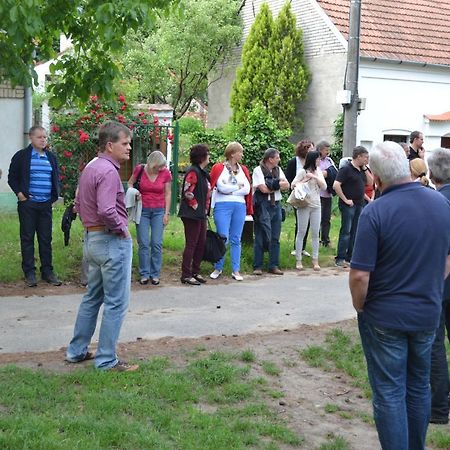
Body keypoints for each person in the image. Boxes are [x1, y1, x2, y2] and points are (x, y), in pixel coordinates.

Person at [349, 141, 450, 450]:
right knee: (419, 386)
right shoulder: (440, 204)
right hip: (426, 313)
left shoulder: (375, 211)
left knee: (390, 392)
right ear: (408, 169)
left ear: (376, 179)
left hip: (384, 317)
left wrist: (361, 305)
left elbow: (359, 275)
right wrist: (432, 284)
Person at [65, 121, 138, 372]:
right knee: (116, 302)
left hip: (92, 240)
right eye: (125, 143)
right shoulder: (108, 171)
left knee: (92, 298)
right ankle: (107, 360)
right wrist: (123, 230)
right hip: (110, 241)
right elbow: (107, 209)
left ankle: (76, 351)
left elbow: (78, 201)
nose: (129, 148)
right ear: (110, 145)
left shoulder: (91, 167)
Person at [8, 126, 62, 287]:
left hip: (45, 204)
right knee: (27, 238)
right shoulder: (22, 156)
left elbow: (55, 177)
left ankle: (47, 272)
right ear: (31, 138)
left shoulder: (51, 157)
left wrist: (53, 197)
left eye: (45, 137)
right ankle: (29, 273)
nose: (43, 139)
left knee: (46, 239)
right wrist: (20, 194)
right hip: (28, 205)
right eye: (39, 137)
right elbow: (12, 177)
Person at [428, 147, 450, 425]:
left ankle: (439, 408)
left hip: (441, 286)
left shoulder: (438, 203)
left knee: (434, 346)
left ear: (431, 174)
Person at [209, 142, 252, 281]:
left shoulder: (243, 169)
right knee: (223, 236)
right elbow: (221, 187)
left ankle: (236, 269)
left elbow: (247, 189)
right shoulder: (219, 168)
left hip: (239, 205)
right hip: (222, 205)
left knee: (236, 238)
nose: (242, 155)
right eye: (240, 152)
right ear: (232, 153)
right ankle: (218, 267)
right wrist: (237, 187)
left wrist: (231, 188)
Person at [127, 151, 172, 286]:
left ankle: (155, 273)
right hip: (143, 210)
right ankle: (144, 273)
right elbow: (130, 183)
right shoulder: (140, 169)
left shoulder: (165, 173)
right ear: (153, 164)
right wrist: (135, 192)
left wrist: (166, 213)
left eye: (163, 166)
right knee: (144, 243)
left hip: (159, 210)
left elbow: (168, 194)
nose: (161, 169)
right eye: (159, 166)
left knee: (156, 243)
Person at [252, 148, 289, 275]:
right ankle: (257, 266)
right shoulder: (258, 170)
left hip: (276, 205)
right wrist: (277, 185)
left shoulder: (278, 170)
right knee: (260, 235)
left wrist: (273, 185)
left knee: (275, 236)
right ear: (270, 159)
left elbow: (287, 185)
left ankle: (274, 265)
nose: (279, 159)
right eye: (277, 157)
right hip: (263, 205)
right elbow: (263, 189)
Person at [178, 144, 211, 285]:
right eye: (207, 153)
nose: (209, 156)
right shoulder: (193, 172)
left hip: (200, 214)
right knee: (192, 243)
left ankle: (195, 271)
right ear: (202, 156)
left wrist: (205, 210)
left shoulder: (202, 172)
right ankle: (186, 274)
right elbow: (188, 193)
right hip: (191, 214)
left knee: (201, 242)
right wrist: (197, 207)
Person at [333, 146, 369, 267]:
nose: (366, 160)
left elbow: (370, 182)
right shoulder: (346, 169)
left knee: (355, 231)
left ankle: (350, 256)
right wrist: (345, 199)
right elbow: (336, 185)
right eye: (365, 157)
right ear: (358, 156)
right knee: (346, 231)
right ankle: (340, 257)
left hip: (359, 203)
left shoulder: (361, 170)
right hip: (348, 204)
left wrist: (365, 169)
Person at [291, 150, 326, 271]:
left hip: (316, 205)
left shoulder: (318, 172)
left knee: (316, 233)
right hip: (304, 204)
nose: (319, 161)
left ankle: (315, 260)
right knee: (301, 232)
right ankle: (298, 259)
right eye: (318, 159)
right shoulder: (302, 171)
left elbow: (324, 186)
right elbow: (293, 185)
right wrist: (305, 179)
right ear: (312, 159)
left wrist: (315, 176)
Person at [285, 139, 314, 257]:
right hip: (298, 194)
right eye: (310, 148)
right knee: (300, 221)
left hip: (311, 195)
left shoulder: (312, 163)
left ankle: (302, 248)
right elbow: (289, 178)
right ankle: (296, 247)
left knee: (308, 221)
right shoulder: (294, 162)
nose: (312, 151)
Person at [317, 140, 335, 247]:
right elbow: (318, 174)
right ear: (320, 150)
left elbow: (334, 172)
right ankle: (317, 239)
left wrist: (327, 173)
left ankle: (325, 239)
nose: (327, 152)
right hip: (318, 193)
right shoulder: (316, 160)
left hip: (327, 193)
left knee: (326, 218)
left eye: (328, 150)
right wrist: (328, 173)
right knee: (317, 218)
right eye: (325, 150)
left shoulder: (329, 160)